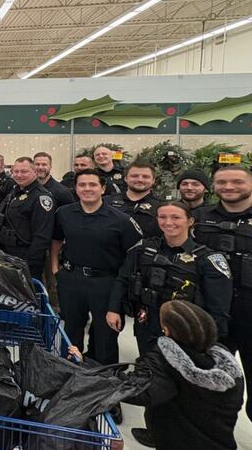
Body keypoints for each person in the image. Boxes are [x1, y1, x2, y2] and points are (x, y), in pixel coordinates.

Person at [107, 201, 233, 356]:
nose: (168, 222)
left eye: (176, 217)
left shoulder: (207, 259)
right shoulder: (143, 248)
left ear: (190, 221)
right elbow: (123, 279)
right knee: (150, 368)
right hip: (147, 323)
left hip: (186, 330)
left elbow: (219, 309)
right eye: (162, 217)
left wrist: (211, 343)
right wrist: (113, 309)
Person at [112, 301, 243, 449]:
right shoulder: (230, 369)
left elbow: (134, 390)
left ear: (167, 331)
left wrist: (87, 372)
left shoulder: (166, 364)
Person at [51, 169, 142, 364]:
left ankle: (104, 376)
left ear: (102, 188)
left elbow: (133, 255)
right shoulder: (64, 213)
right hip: (71, 279)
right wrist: (55, 268)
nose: (87, 189)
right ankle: (70, 370)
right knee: (71, 329)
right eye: (82, 185)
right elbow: (56, 240)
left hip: (105, 282)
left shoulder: (121, 220)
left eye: (92, 185)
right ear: (75, 188)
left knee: (105, 333)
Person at [193, 165, 252, 422]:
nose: (228, 187)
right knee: (206, 378)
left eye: (237, 181)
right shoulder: (200, 217)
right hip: (211, 312)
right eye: (222, 182)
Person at [0, 157, 54, 279]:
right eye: (16, 171)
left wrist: (28, 264)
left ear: (34, 172)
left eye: (24, 171)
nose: (19, 175)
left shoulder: (41, 198)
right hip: (7, 254)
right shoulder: (15, 192)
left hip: (26, 259)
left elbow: (42, 237)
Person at [105, 160, 161, 238]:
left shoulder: (162, 207)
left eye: (145, 177)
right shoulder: (106, 202)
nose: (140, 180)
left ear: (153, 180)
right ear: (125, 178)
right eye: (134, 176)